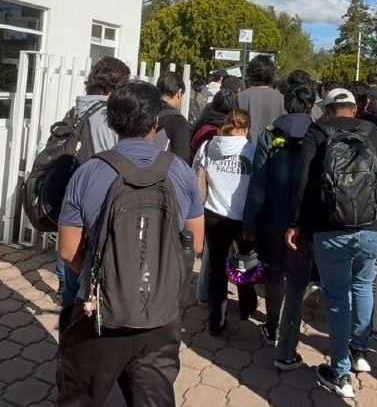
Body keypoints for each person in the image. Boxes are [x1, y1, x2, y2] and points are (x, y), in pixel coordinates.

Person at [57, 81, 205, 406]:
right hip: (162, 315)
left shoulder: (88, 173)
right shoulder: (180, 171)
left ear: (112, 123)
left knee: (80, 397)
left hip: (100, 313)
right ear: (156, 121)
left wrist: (105, 272)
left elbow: (67, 251)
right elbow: (194, 245)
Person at [286, 88, 377, 399]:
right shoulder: (375, 133)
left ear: (328, 108)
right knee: (363, 287)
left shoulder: (318, 132)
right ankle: (360, 352)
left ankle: (340, 371)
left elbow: (304, 184)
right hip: (371, 228)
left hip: (329, 229)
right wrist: (375, 215)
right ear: (353, 108)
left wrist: (297, 223)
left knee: (337, 299)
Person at [243, 80, 315, 366]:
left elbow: (258, 181)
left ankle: (272, 325)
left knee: (274, 273)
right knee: (299, 278)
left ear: (286, 103)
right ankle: (289, 331)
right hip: (306, 221)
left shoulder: (269, 134)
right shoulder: (318, 133)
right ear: (310, 105)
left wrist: (249, 221)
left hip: (272, 217)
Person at [54, 57, 132, 317]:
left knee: (69, 263)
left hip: (70, 195)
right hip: (98, 200)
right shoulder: (108, 115)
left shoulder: (77, 109)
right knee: (90, 274)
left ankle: (68, 326)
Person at [193, 109, 257, 334]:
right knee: (245, 262)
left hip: (214, 214)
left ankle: (216, 321)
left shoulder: (208, 147)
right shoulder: (252, 151)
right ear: (247, 129)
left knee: (216, 268)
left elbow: (197, 177)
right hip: (242, 217)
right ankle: (247, 307)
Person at [236, 55, 285, 143]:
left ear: (250, 73)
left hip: (246, 150)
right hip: (273, 150)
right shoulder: (282, 99)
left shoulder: (241, 97)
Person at [154, 70, 192, 162]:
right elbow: (181, 160)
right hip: (163, 174)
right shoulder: (179, 122)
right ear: (179, 93)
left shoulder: (145, 111)